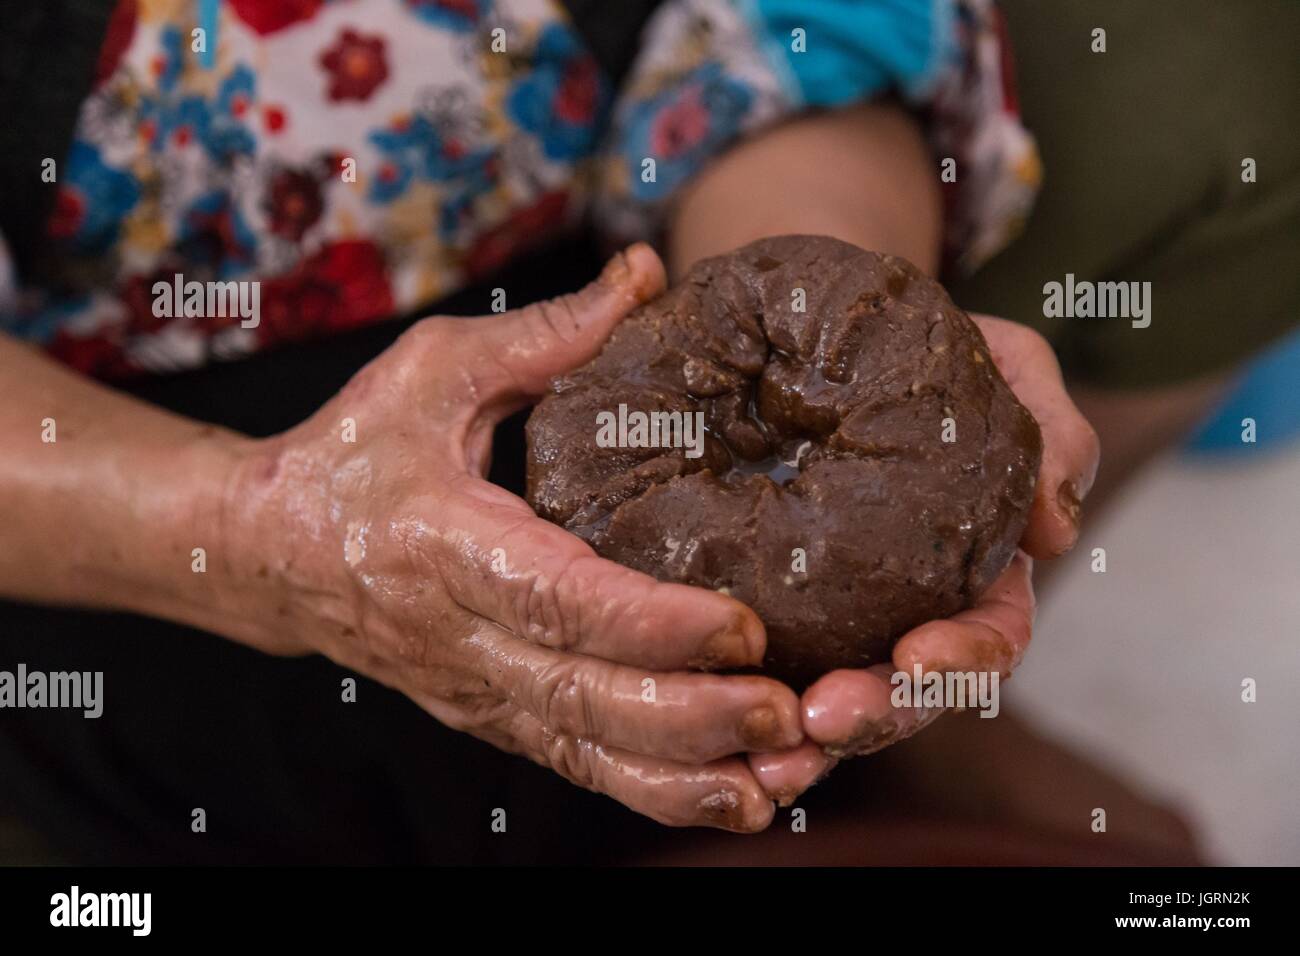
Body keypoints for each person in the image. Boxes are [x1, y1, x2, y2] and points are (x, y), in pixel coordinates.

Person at [0, 0, 1290, 864]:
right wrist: (255, 525)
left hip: (615, 239)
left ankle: (869, 732)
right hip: (102, 442)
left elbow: (793, 26)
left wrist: (828, 297)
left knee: (1215, 55)